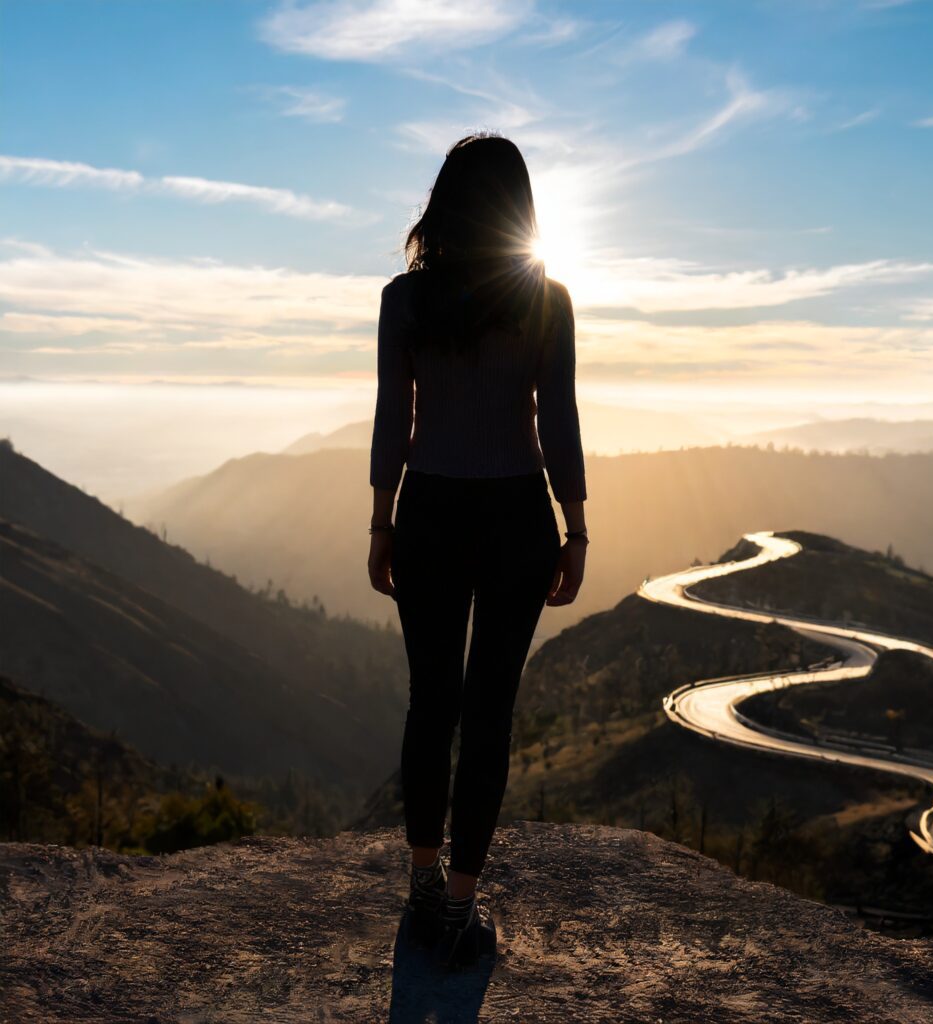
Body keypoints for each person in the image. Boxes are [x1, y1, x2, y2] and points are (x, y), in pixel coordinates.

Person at [366, 132, 589, 969]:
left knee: (432, 704)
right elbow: (557, 420)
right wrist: (575, 528)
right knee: (489, 712)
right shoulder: (547, 299)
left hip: (427, 509)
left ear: (443, 203)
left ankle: (422, 893)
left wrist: (382, 523)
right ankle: (461, 910)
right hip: (514, 519)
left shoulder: (404, 300)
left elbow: (396, 419)